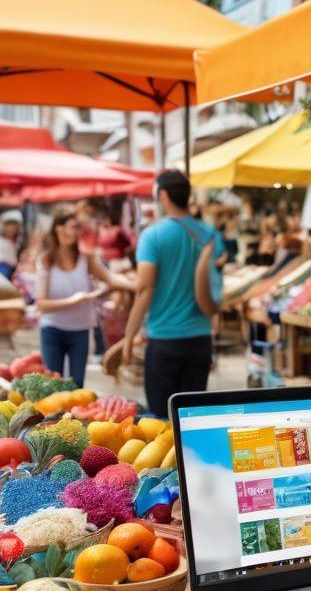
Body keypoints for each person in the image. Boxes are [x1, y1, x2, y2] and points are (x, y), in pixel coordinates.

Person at [122, 170, 225, 417]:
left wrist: (128, 337)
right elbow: (216, 284)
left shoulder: (153, 235)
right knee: (191, 419)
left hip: (164, 342)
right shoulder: (210, 235)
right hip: (200, 340)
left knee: (161, 420)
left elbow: (144, 290)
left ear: (164, 195)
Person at [36, 206, 135, 387]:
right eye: (73, 226)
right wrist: (74, 300)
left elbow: (109, 278)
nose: (77, 232)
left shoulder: (85, 258)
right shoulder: (46, 260)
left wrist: (136, 283)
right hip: (52, 330)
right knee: (51, 386)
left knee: (77, 386)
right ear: (59, 229)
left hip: (80, 331)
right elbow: (41, 304)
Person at [0, 210, 22, 280]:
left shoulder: (19, 242)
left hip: (13, 271)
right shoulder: (2, 241)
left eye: (14, 225)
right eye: (9, 225)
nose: (11, 228)